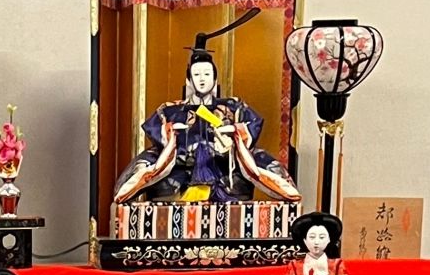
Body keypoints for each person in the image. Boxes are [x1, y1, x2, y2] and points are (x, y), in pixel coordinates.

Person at [111, 35, 300, 208]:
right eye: (197, 74)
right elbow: (157, 127)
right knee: (144, 165)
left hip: (225, 171)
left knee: (261, 161)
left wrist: (234, 133)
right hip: (180, 171)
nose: (202, 79)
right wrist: (171, 134)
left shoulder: (233, 107)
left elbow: (251, 125)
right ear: (189, 80)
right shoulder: (170, 110)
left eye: (207, 74)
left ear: (215, 78)